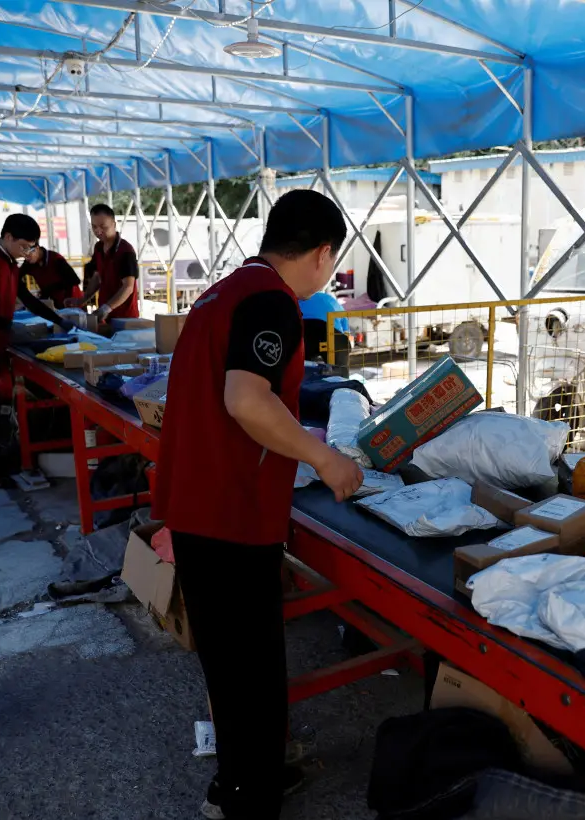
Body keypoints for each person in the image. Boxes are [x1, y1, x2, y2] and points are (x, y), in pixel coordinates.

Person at [153, 190, 364, 820]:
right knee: (254, 671)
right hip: (230, 512)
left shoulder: (223, 292)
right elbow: (246, 398)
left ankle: (235, 783)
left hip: (195, 505)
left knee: (226, 662)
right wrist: (324, 458)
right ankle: (253, 798)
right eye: (332, 261)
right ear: (323, 252)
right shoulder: (272, 301)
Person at [0, 214, 75, 488]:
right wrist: (7, 326)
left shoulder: (10, 262)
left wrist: (58, 319)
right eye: (25, 246)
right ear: (8, 237)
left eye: (31, 248)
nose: (27, 253)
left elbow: (27, 298)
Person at [67, 203, 139, 322]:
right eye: (94, 227)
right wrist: (82, 299)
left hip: (125, 318)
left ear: (114, 224)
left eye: (103, 226)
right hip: (105, 316)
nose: (98, 231)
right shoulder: (98, 247)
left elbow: (128, 287)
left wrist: (106, 308)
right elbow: (97, 277)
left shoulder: (125, 250)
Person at [298, 288, 351, 366]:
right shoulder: (330, 299)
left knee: (302, 368)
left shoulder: (297, 298)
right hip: (331, 333)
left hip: (304, 334)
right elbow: (346, 329)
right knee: (339, 371)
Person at [23, 243, 82, 309]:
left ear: (37, 248)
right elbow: (17, 276)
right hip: (53, 304)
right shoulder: (29, 263)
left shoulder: (55, 259)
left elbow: (75, 280)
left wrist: (49, 289)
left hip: (71, 303)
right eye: (23, 255)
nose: (26, 258)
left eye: (28, 254)